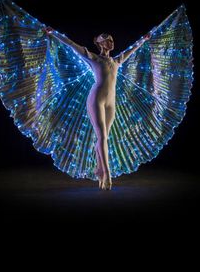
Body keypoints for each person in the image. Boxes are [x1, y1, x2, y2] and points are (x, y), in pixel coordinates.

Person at [43, 27, 151, 189]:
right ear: (99, 43)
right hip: (96, 100)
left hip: (110, 102)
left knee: (104, 137)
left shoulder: (116, 61)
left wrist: (144, 39)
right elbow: (72, 44)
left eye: (112, 39)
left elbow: (133, 49)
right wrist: (54, 34)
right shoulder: (93, 58)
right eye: (106, 39)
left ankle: (99, 170)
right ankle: (107, 174)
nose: (110, 41)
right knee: (102, 136)